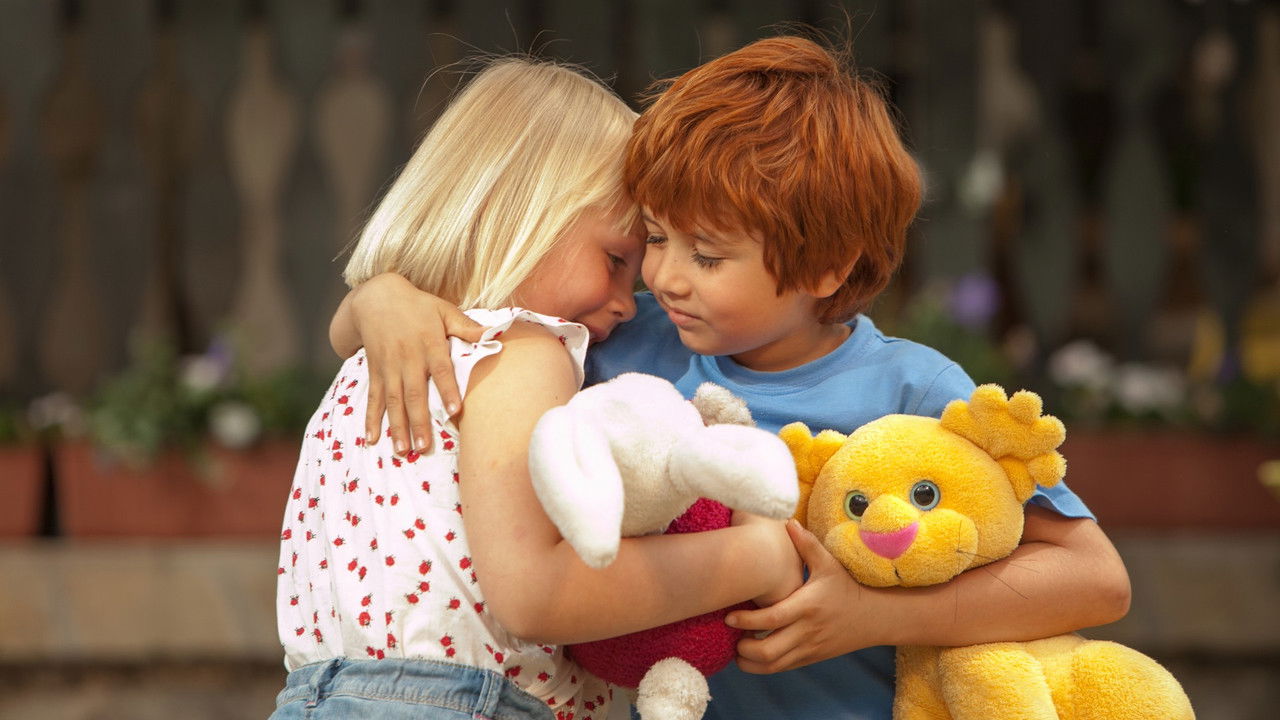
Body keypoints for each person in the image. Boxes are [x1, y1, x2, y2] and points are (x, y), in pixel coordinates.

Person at [330, 36, 1132, 719]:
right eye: (653, 238)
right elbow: (468, 313)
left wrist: (868, 614)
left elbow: (1096, 579)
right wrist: (381, 297)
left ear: (826, 265)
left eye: (707, 255)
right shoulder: (619, 343)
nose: (666, 276)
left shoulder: (913, 390)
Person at [272, 57, 801, 720]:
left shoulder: (379, 352)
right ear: (516, 210)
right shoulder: (524, 352)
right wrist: (757, 557)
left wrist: (376, 294)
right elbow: (533, 595)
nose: (629, 302)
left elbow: (343, 327)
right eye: (616, 260)